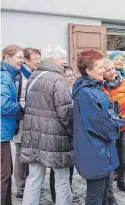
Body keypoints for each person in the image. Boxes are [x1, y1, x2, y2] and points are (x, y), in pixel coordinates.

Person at [19, 45, 73, 205]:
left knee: (34, 178)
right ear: (51, 59)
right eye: (62, 58)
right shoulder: (58, 79)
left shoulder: (34, 76)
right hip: (56, 138)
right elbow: (66, 112)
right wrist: (72, 132)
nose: (64, 62)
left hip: (34, 135)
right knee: (62, 179)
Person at [73, 50, 124, 205]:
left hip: (100, 148)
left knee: (102, 192)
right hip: (94, 149)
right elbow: (101, 124)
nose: (104, 70)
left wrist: (114, 116)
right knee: (95, 195)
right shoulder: (86, 93)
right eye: (100, 67)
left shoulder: (94, 88)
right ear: (88, 71)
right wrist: (118, 123)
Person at [102, 58, 125, 197]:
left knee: (124, 157)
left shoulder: (124, 83)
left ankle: (121, 180)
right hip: (109, 129)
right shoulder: (99, 87)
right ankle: (108, 190)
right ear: (102, 72)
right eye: (108, 70)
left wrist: (122, 119)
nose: (112, 72)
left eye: (113, 69)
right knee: (110, 159)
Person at [12, 48, 40, 200]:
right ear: (26, 60)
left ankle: (30, 185)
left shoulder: (34, 75)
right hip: (22, 118)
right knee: (20, 154)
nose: (38, 61)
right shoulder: (19, 75)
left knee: (28, 153)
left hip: (32, 118)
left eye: (39, 58)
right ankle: (21, 187)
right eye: (35, 58)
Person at [49, 66, 79, 203]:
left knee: (70, 165)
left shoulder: (73, 90)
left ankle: (68, 191)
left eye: (72, 75)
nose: (71, 77)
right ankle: (56, 197)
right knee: (58, 168)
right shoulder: (59, 91)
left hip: (71, 134)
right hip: (61, 133)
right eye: (68, 75)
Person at [1, 44, 24, 205]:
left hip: (4, 131)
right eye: (19, 57)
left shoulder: (8, 74)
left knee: (6, 173)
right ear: (8, 57)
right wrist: (20, 107)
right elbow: (3, 104)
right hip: (1, 132)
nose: (22, 61)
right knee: (4, 174)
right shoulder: (4, 75)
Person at [109, 51, 125, 179]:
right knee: (114, 146)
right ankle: (114, 171)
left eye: (122, 60)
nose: (119, 61)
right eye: (116, 59)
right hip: (112, 119)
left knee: (124, 147)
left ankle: (122, 170)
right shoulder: (106, 78)